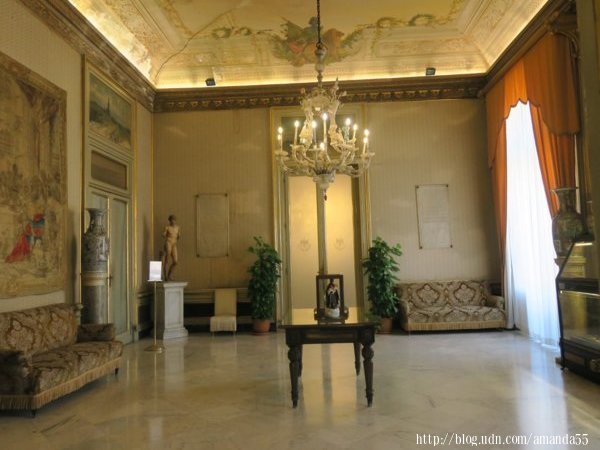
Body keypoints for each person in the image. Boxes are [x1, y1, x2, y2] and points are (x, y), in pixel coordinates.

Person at [161, 215, 180, 281]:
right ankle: (165, 276)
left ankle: (169, 274)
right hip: (168, 243)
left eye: (174, 220)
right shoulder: (167, 227)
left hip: (174, 244)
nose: (173, 221)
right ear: (169, 221)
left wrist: (177, 238)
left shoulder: (178, 228)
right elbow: (163, 234)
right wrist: (164, 234)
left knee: (175, 261)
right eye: (171, 220)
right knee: (167, 259)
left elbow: (178, 236)